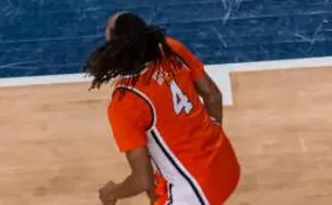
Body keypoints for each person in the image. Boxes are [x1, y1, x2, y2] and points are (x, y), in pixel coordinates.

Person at [84, 12, 241, 205]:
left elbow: (142, 180)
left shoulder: (126, 101)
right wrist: (214, 129)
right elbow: (212, 94)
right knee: (156, 188)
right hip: (226, 165)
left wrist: (112, 192)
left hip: (194, 192)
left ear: (115, 46)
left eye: (107, 30)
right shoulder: (170, 48)